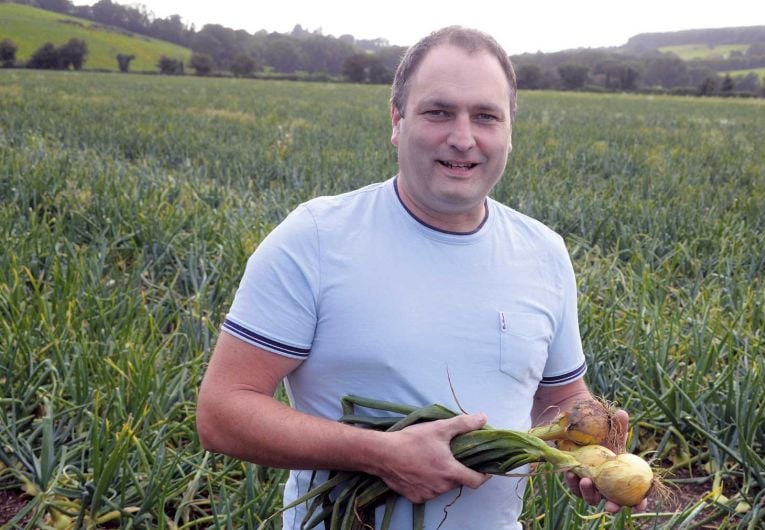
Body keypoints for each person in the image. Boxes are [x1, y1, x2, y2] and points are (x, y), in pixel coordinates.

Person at [196, 25, 646, 529]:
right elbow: (222, 412)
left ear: (509, 129)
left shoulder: (543, 252)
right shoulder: (316, 238)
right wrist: (377, 452)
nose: (463, 137)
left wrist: (582, 446)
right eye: (438, 112)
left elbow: (558, 399)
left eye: (485, 116)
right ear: (397, 119)